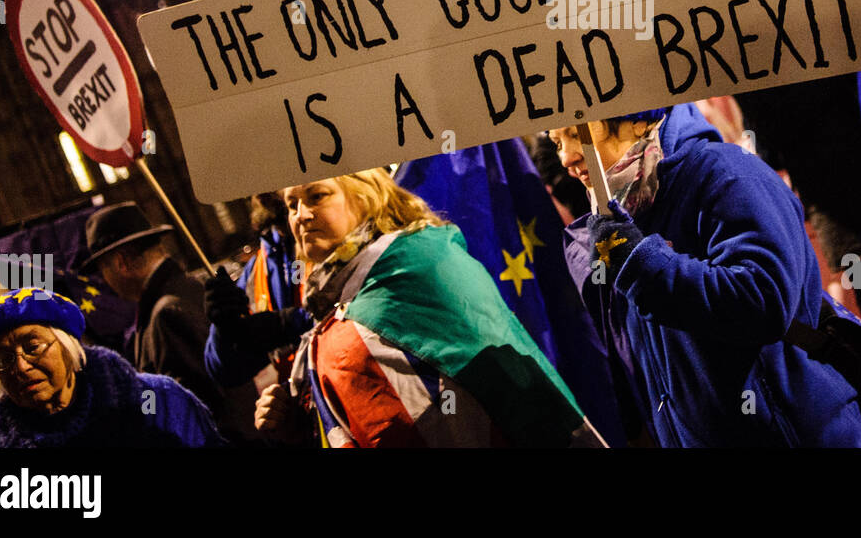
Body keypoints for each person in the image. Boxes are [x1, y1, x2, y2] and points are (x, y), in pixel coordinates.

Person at [549, 105, 861, 447]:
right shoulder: (612, 224)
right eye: (556, 141)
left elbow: (763, 300)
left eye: (577, 135)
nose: (566, 158)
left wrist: (641, 265)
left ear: (638, 120)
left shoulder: (726, 172)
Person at [253, 168, 603, 447]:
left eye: (317, 195)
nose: (301, 215)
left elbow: (503, 391)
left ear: (366, 195)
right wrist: (298, 423)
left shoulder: (420, 266)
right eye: (291, 204)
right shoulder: (334, 299)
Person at [80, 202, 259, 444]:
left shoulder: (167, 314)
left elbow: (194, 403)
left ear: (121, 262)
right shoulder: (189, 290)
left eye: (103, 268)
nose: (105, 280)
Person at [0, 287, 222, 447]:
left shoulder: (153, 399)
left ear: (67, 346)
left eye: (33, 347)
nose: (21, 367)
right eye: (3, 359)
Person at [203, 193, 311, 390]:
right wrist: (224, 330)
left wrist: (291, 323)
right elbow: (227, 373)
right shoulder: (257, 269)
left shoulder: (332, 236)